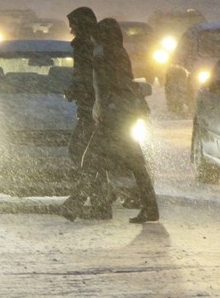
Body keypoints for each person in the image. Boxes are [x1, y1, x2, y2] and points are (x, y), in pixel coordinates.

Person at [62, 17, 159, 224]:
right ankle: (150, 207)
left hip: (114, 115)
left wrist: (105, 106)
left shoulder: (108, 54)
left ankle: (75, 203)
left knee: (92, 159)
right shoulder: (116, 52)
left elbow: (111, 85)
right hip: (121, 114)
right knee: (135, 163)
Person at [60, 6, 113, 219]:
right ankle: (101, 198)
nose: (71, 30)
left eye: (73, 26)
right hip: (90, 108)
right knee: (90, 156)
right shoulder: (91, 46)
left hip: (94, 110)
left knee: (82, 153)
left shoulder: (87, 46)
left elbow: (89, 77)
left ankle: (96, 198)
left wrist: (76, 91)